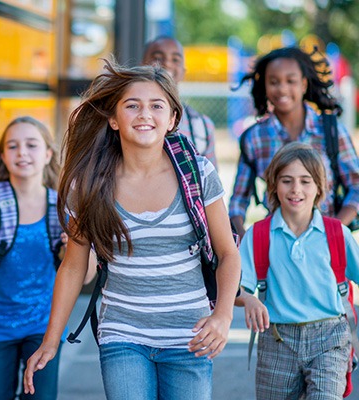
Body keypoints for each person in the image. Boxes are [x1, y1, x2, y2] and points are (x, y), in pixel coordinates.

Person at [24, 60, 241, 400]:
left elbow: (228, 253)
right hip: (123, 334)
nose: (145, 114)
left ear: (172, 119)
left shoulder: (197, 173)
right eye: (132, 105)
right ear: (113, 119)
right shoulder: (90, 184)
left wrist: (222, 316)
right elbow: (74, 266)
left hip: (190, 335)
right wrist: (50, 342)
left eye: (157, 106)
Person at [236, 142, 359, 399]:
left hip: (330, 338)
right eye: (286, 181)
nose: (296, 189)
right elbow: (237, 287)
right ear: (273, 185)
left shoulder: (337, 233)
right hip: (278, 340)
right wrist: (248, 298)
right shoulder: (258, 235)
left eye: (305, 181)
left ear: (320, 188)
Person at [0, 116, 67, 400]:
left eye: (31, 145)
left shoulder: (63, 209)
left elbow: (81, 272)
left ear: (47, 155)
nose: (22, 152)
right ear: (3, 156)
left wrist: (70, 247)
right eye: (13, 146)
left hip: (45, 325)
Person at [228, 46, 359, 238]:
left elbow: (356, 187)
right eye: (274, 81)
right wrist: (244, 238)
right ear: (264, 85)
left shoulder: (331, 130)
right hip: (277, 246)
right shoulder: (254, 137)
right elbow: (238, 202)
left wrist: (333, 230)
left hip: (326, 247)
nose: (282, 88)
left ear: (304, 84)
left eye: (291, 81)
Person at [142, 35, 218, 168]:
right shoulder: (127, 118)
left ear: (183, 71)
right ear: (142, 65)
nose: (167, 63)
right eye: (158, 58)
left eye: (175, 59)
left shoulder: (202, 126)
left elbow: (210, 182)